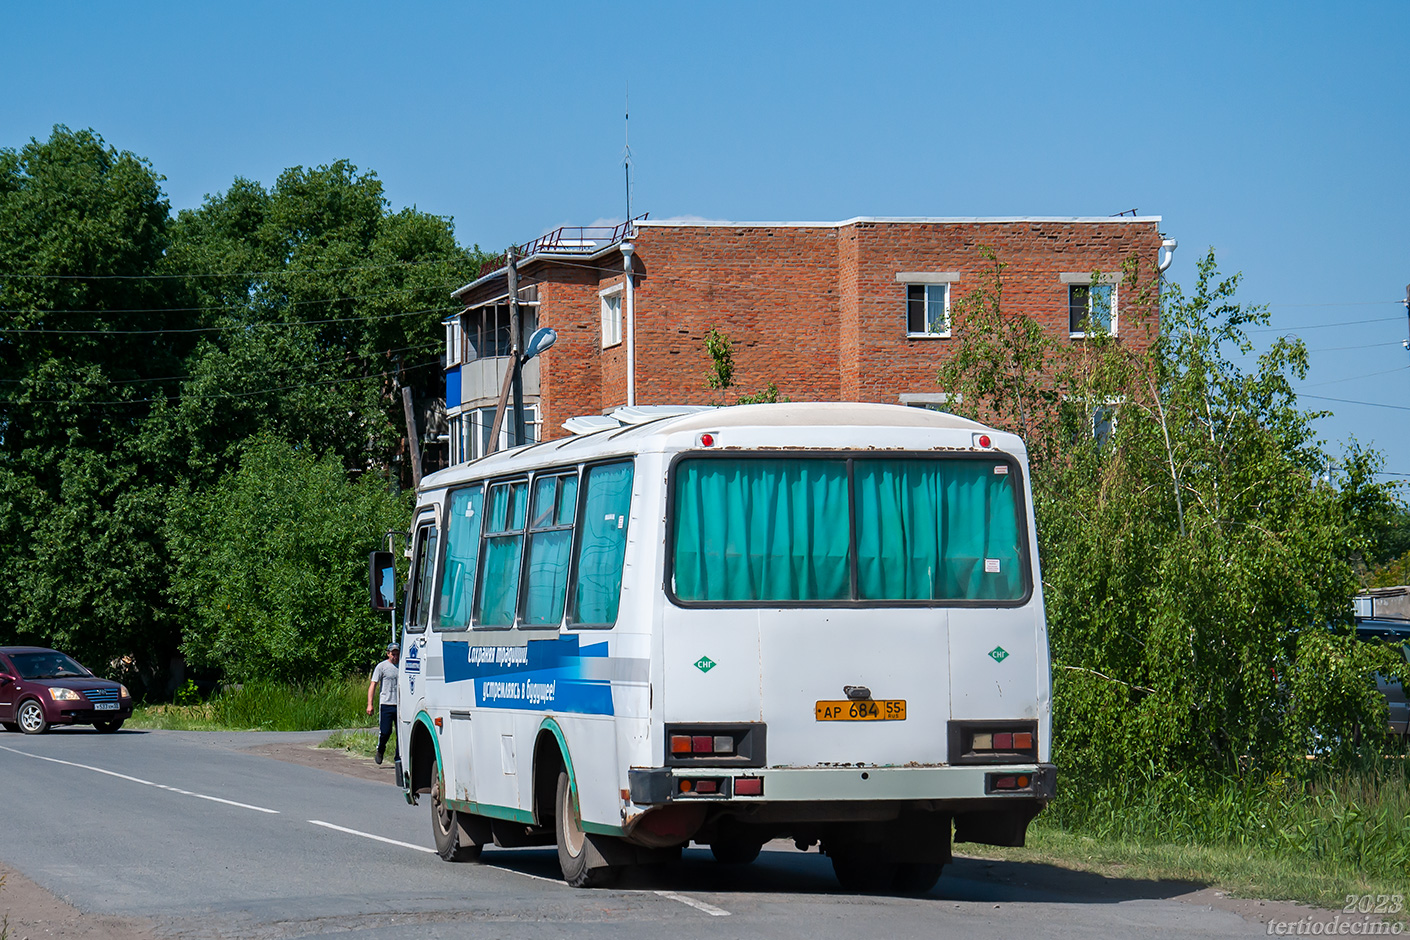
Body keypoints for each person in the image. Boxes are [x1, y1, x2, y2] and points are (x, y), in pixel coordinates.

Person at [366, 643, 399, 765]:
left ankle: (398, 758)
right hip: (386, 704)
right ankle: (380, 750)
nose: (395, 656)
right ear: (388, 653)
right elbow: (373, 685)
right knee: (386, 731)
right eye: (393, 654)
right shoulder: (382, 667)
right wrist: (370, 704)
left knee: (400, 734)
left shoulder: (403, 665)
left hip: (400, 704)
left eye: (397, 654)